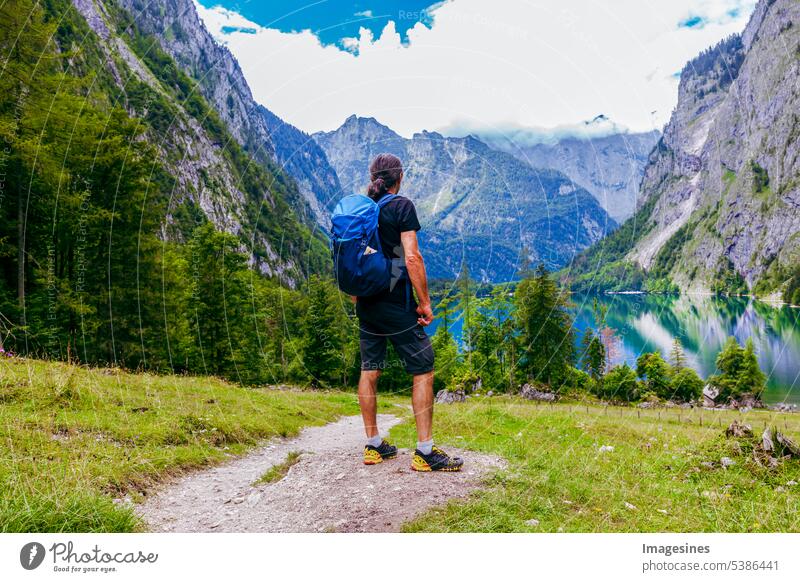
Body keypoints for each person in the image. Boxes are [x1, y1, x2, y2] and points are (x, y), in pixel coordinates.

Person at [355, 153, 463, 472]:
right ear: (399, 177)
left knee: (370, 369)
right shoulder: (401, 206)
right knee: (423, 368)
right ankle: (425, 452)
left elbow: (348, 259)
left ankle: (374, 446)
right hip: (395, 301)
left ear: (374, 177)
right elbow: (412, 258)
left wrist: (357, 299)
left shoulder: (361, 210)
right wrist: (425, 302)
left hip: (366, 302)